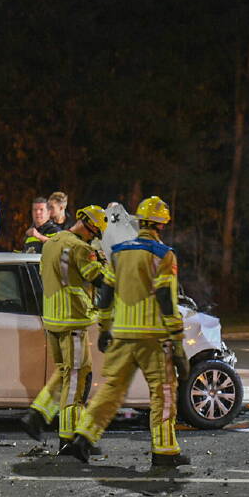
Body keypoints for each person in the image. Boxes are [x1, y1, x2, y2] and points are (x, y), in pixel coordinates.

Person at [68, 196, 191, 469]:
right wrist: (178, 342)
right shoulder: (164, 254)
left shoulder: (120, 252)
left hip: (122, 335)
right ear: (161, 225)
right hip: (153, 338)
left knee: (111, 389)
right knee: (164, 393)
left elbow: (106, 292)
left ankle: (83, 438)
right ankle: (165, 451)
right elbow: (166, 299)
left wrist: (104, 327)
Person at [21, 206, 113, 450]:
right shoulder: (81, 248)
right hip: (72, 320)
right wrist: (108, 267)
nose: (94, 239)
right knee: (76, 380)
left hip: (52, 319)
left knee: (68, 373)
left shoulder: (52, 242)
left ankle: (39, 414)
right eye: (94, 234)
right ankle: (68, 438)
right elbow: (98, 279)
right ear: (90, 226)